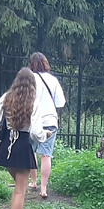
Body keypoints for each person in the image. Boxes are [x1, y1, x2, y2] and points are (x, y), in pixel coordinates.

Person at [0, 68, 49, 209]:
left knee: (18, 186)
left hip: (6, 144)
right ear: (32, 85)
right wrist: (46, 134)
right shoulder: (33, 103)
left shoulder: (5, 98)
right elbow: (35, 133)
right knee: (19, 190)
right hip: (22, 146)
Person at [27, 52, 66, 200]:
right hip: (50, 121)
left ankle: (33, 182)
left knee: (31, 151)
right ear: (46, 63)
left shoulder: (29, 79)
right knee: (46, 155)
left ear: (31, 64)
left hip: (33, 121)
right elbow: (60, 103)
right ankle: (44, 188)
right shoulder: (53, 80)